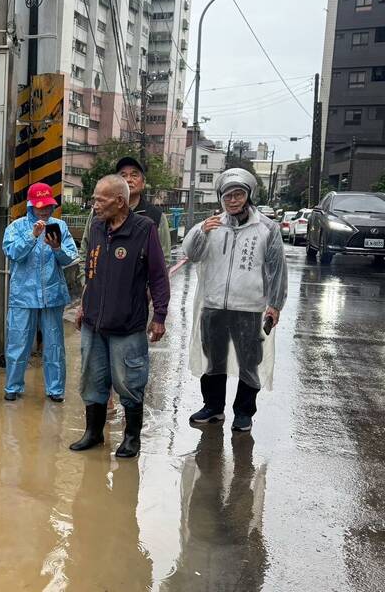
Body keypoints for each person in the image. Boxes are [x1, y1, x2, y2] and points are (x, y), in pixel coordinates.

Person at [71, 174, 170, 458]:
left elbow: (159, 277)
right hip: (94, 323)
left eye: (100, 200)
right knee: (92, 379)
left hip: (127, 326)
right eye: (93, 199)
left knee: (129, 382)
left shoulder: (144, 229)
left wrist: (159, 315)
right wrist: (83, 304)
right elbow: (91, 270)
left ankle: (131, 439)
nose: (94, 205)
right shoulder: (98, 226)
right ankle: (93, 433)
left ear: (120, 202)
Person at [182, 168, 287, 432]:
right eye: (227, 195)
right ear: (221, 198)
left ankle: (243, 412)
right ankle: (213, 408)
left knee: (249, 362)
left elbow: (276, 268)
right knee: (213, 360)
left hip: (250, 308)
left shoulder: (267, 228)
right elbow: (191, 254)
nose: (233, 200)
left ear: (248, 195)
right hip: (214, 305)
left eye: (238, 194)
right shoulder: (212, 225)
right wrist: (201, 232)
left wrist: (274, 304)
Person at [2, 182, 78, 402]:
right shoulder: (16, 227)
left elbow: (70, 257)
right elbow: (13, 254)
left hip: (52, 296)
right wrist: (32, 236)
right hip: (22, 297)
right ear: (30, 205)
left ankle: (55, 391)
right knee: (17, 344)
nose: (44, 210)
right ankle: (12, 388)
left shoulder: (60, 227)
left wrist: (56, 248)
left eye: (48, 206)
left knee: (54, 346)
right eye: (40, 206)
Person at [78, 156, 172, 279]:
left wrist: (148, 293)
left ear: (143, 183)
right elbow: (85, 250)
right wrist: (86, 283)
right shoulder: (98, 213)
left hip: (136, 295)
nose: (128, 179)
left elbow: (163, 261)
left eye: (134, 175)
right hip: (98, 292)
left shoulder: (156, 217)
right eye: (123, 175)